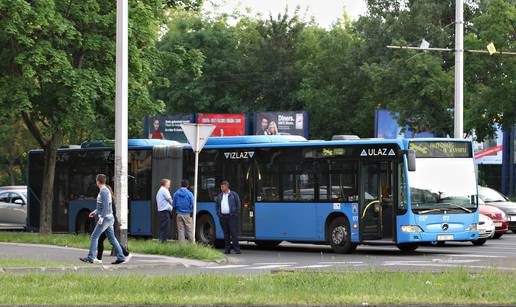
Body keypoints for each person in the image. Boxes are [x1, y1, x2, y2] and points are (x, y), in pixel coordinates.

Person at [80, 174, 126, 265]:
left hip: (106, 218)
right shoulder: (105, 190)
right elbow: (104, 206)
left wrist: (101, 217)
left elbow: (105, 206)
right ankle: (121, 256)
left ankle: (91, 257)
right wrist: (95, 211)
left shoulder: (104, 192)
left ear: (97, 181)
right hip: (109, 217)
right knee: (112, 238)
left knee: (94, 236)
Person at [96, 185, 130, 263]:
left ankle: (99, 258)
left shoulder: (108, 199)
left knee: (106, 239)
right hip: (111, 221)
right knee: (111, 239)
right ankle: (124, 252)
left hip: (108, 222)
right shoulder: (110, 199)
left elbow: (107, 212)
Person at [215, 181, 241, 254]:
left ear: (227, 186)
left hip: (231, 216)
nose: (221, 188)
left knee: (233, 233)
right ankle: (227, 249)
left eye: (222, 186)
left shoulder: (233, 194)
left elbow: (238, 204)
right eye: (221, 187)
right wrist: (219, 214)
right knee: (226, 234)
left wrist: (236, 214)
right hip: (223, 217)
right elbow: (217, 206)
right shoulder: (220, 196)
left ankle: (237, 249)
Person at [156, 179, 173, 243]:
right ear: (165, 184)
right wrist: (176, 206)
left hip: (162, 211)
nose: (169, 185)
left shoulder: (161, 190)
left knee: (163, 227)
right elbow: (170, 200)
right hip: (165, 212)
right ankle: (163, 242)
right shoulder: (164, 190)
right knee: (165, 227)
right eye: (169, 184)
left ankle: (162, 241)